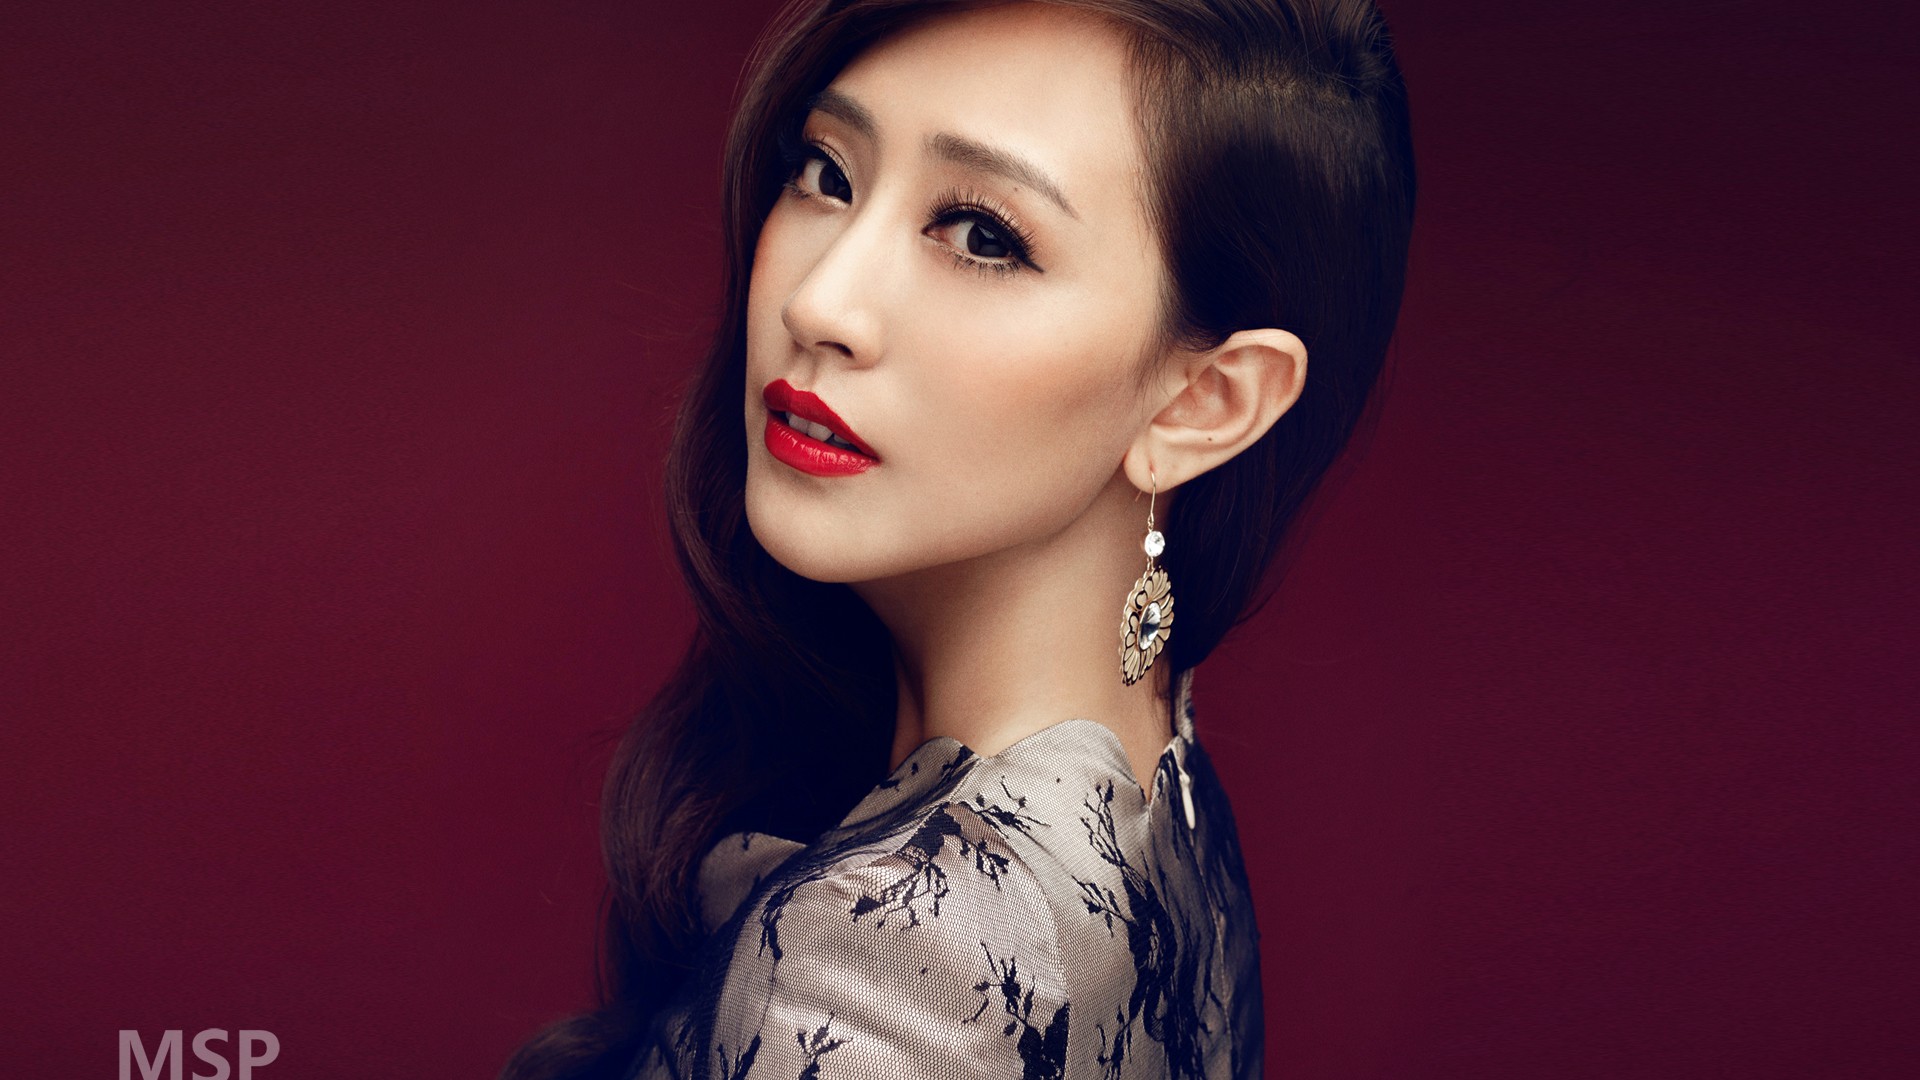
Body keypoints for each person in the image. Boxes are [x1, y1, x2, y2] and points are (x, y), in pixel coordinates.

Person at [501, 0, 1413, 1077]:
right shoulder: (1150, 775)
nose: (821, 303)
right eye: (828, 173)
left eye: (984, 237)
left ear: (1201, 403)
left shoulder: (885, 966)